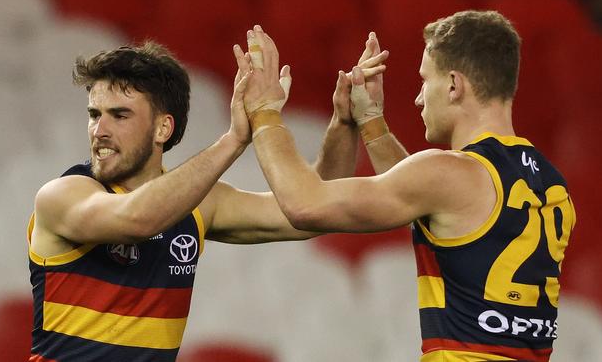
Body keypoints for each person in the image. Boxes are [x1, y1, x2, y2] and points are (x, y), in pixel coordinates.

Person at [241, 11, 575, 362]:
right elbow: (427, 198)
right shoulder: (551, 183)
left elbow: (303, 205)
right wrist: (370, 122)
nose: (418, 99)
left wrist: (264, 111)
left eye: (424, 81)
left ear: (453, 85)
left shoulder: (450, 172)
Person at [27, 40, 386, 361]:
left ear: (162, 129)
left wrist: (344, 122)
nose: (99, 130)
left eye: (119, 115)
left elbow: (312, 209)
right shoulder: (62, 196)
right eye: (94, 114)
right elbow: (137, 219)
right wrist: (234, 138)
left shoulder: (199, 206)